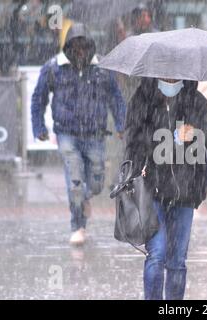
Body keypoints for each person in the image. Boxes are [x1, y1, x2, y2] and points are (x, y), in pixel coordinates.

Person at [31, 23, 126, 246]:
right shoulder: (54, 67)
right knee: (74, 183)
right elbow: (38, 98)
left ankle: (84, 199)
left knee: (96, 183)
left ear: (91, 46)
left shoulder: (102, 68)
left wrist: (122, 124)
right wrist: (39, 128)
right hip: (67, 134)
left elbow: (116, 98)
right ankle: (78, 226)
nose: (80, 51)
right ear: (68, 47)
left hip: (95, 135)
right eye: (76, 46)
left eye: (84, 46)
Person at [124, 77, 207, 300]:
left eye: (176, 74)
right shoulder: (142, 100)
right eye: (165, 73)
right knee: (156, 254)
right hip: (151, 189)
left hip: (185, 190)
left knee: (177, 261)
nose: (170, 78)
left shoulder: (196, 101)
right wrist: (170, 139)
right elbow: (133, 141)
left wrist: (196, 134)